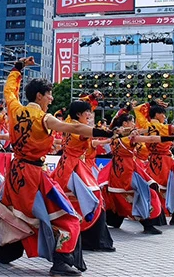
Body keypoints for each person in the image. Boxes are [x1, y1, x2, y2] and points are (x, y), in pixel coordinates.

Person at [0, 57, 116, 276]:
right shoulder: (44, 118)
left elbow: (9, 90)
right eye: (49, 94)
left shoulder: (15, 109)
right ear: (40, 95)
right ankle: (60, 262)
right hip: (34, 176)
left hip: (15, 172)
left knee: (1, 208)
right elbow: (71, 128)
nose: (51, 98)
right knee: (68, 217)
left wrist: (18, 68)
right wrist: (102, 132)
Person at [51, 101, 115, 252]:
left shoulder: (69, 123)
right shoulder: (76, 128)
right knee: (93, 199)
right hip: (73, 168)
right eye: (87, 112)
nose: (89, 114)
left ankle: (88, 238)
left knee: (81, 201)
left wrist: (91, 98)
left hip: (69, 166)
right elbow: (87, 132)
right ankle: (93, 240)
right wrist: (110, 133)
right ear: (79, 114)